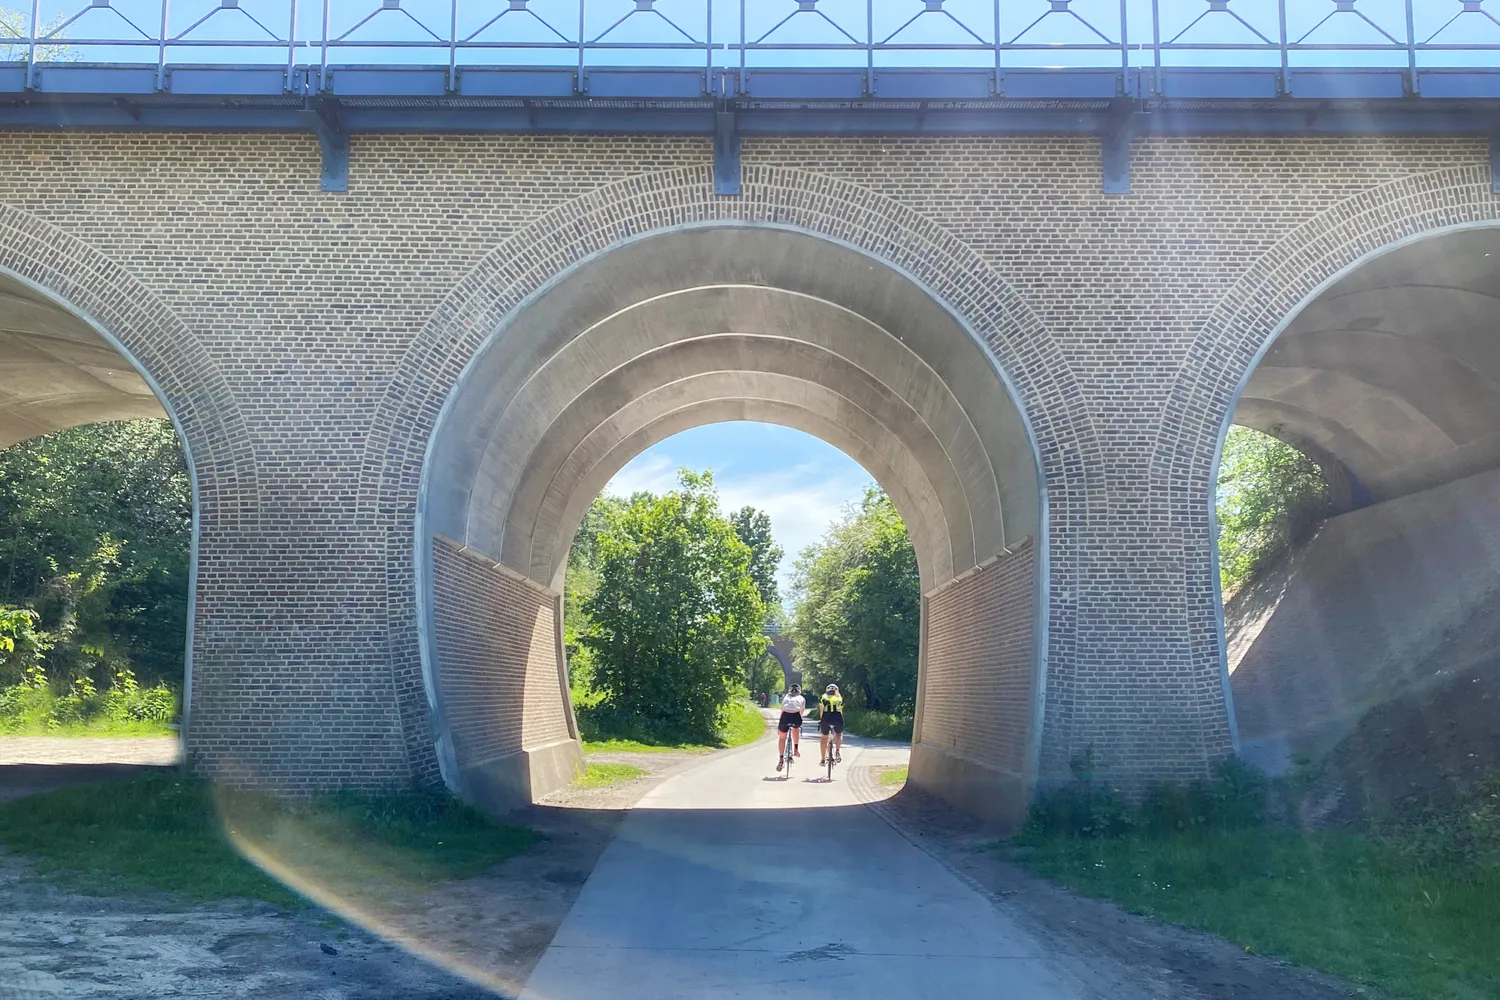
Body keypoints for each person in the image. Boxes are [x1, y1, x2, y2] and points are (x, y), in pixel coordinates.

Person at [776, 684, 805, 771]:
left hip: (785, 716)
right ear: (799, 691)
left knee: (782, 738)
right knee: (796, 728)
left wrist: (780, 724)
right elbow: (801, 711)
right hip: (796, 716)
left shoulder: (786, 697)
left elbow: (782, 710)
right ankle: (796, 749)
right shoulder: (801, 698)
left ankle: (781, 758)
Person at [819, 684, 845, 765]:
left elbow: (821, 711)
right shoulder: (839, 697)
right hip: (837, 717)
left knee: (824, 737)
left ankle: (823, 759)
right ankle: (837, 751)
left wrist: (821, 720)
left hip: (826, 717)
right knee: (838, 734)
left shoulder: (823, 697)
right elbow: (841, 710)